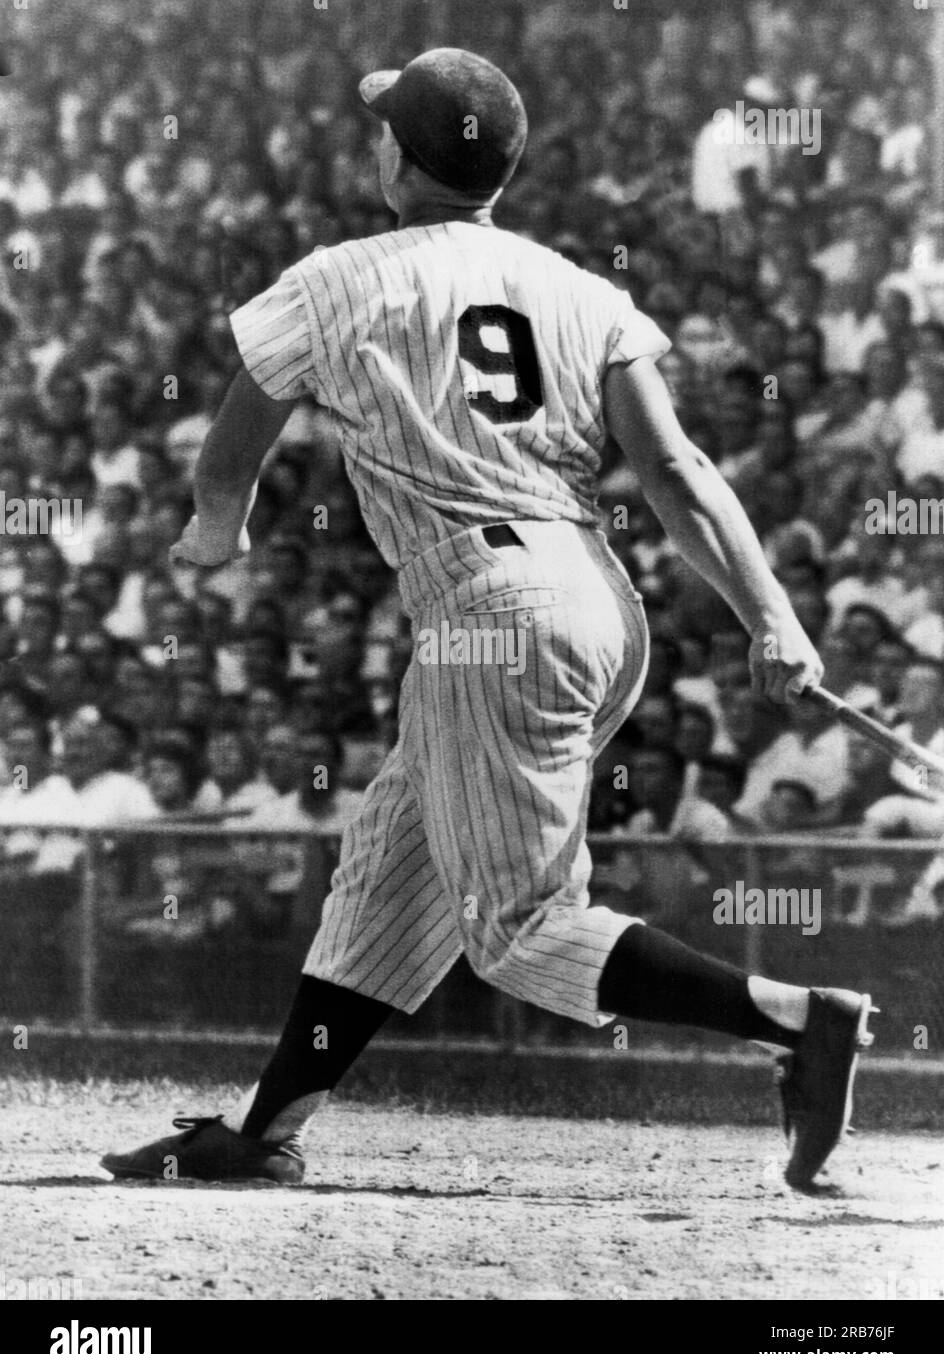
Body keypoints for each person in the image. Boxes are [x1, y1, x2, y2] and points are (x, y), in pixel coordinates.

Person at [103, 49, 875, 1193]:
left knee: (516, 929)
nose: (373, 142)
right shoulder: (581, 289)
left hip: (488, 609)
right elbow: (673, 466)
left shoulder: (338, 275)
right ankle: (264, 1131)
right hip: (593, 600)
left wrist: (218, 527)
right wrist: (770, 617)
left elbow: (238, 427)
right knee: (386, 883)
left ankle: (790, 1018)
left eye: (383, 130)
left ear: (399, 157)